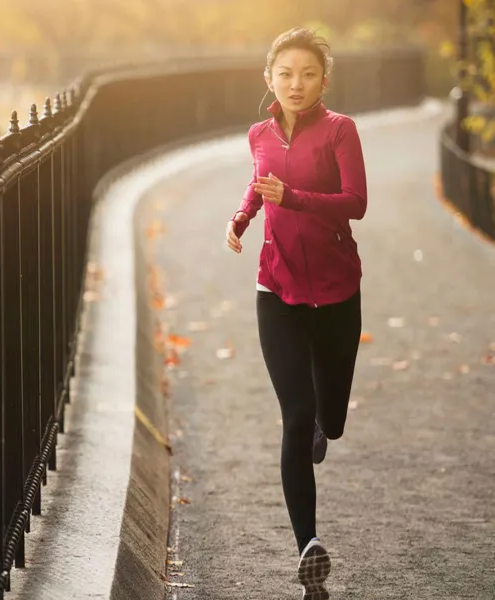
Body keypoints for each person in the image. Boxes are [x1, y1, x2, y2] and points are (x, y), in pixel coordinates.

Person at [225, 27, 367, 600]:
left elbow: (356, 202)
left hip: (336, 294)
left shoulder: (340, 130)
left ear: (323, 81)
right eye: (285, 74)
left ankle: (321, 427)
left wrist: (295, 199)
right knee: (295, 413)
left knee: (330, 419)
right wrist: (242, 216)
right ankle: (308, 547)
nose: (296, 84)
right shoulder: (258, 133)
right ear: (269, 79)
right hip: (277, 291)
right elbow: (259, 184)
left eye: (308, 74)